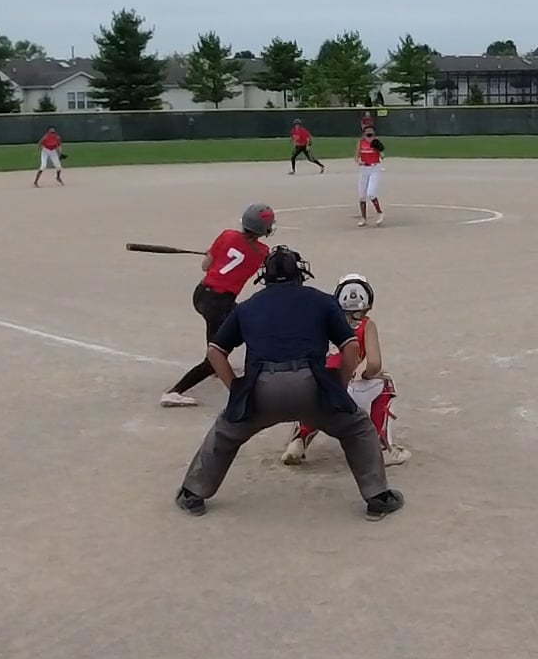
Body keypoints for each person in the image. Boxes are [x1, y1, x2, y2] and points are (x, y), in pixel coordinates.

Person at [175, 246, 404, 521]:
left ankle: (192, 494)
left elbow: (215, 352)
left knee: (225, 433)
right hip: (312, 387)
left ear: (265, 276)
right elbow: (351, 347)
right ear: (300, 273)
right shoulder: (321, 301)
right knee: (357, 428)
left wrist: (237, 391)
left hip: (261, 390)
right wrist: (337, 388)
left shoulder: (248, 306)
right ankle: (378, 498)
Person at [282, 272, 409, 467]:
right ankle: (381, 448)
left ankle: (299, 439)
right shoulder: (366, 326)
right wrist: (367, 374)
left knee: (314, 390)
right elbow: (374, 363)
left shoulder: (325, 321)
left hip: (320, 387)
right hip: (347, 388)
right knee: (386, 384)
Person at [161, 202, 276, 407]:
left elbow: (206, 266)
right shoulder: (262, 252)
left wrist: (212, 254)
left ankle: (215, 365)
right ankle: (174, 392)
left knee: (228, 329)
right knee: (221, 350)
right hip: (220, 304)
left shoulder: (227, 236)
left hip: (201, 295)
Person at [356, 124, 386, 227]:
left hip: (374, 169)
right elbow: (356, 156)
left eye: (371, 131)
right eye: (367, 131)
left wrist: (381, 153)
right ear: (364, 133)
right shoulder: (360, 142)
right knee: (362, 195)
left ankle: (380, 213)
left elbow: (382, 154)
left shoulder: (376, 142)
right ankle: (363, 218)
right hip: (364, 169)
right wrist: (358, 161)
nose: (369, 133)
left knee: (371, 193)